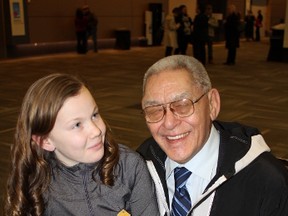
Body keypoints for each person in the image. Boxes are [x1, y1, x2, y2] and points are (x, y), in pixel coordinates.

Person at [137, 55, 288, 216]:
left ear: (212, 104)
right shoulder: (138, 167)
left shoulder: (266, 182)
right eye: (154, 110)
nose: (168, 123)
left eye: (182, 105)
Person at [4, 73, 159, 216]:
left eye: (94, 115)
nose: (96, 131)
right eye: (77, 124)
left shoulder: (130, 166)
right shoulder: (37, 185)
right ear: (45, 141)